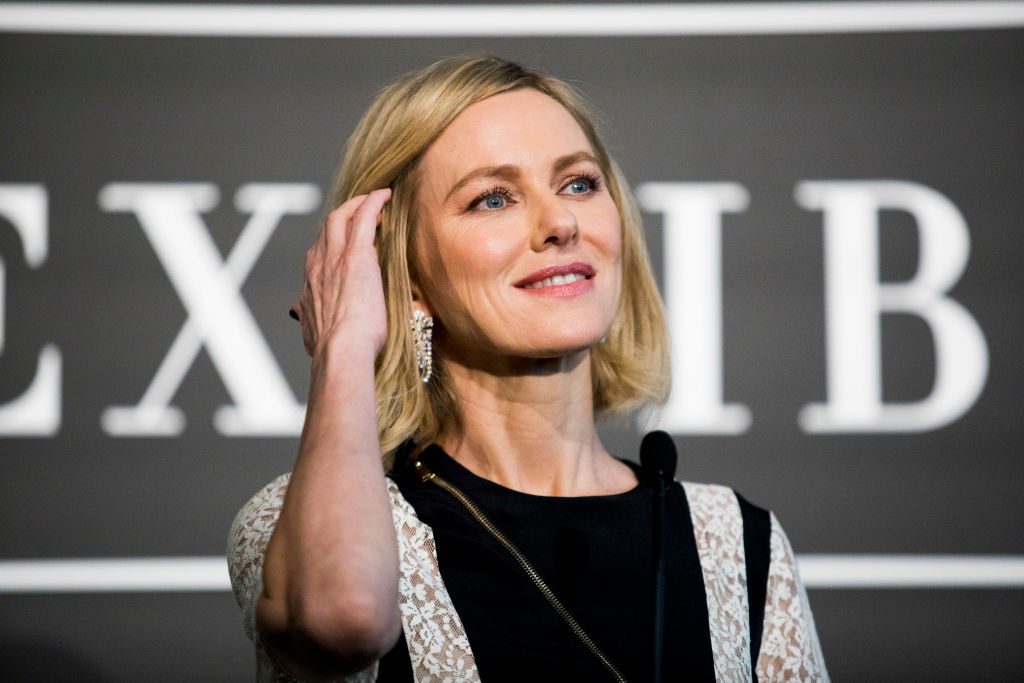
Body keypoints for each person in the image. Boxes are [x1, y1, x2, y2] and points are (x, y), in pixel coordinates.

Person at [228, 55, 828, 682]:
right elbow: (343, 621)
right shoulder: (294, 521)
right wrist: (345, 344)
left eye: (579, 184)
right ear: (406, 274)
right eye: (493, 199)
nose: (561, 223)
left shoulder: (737, 542)